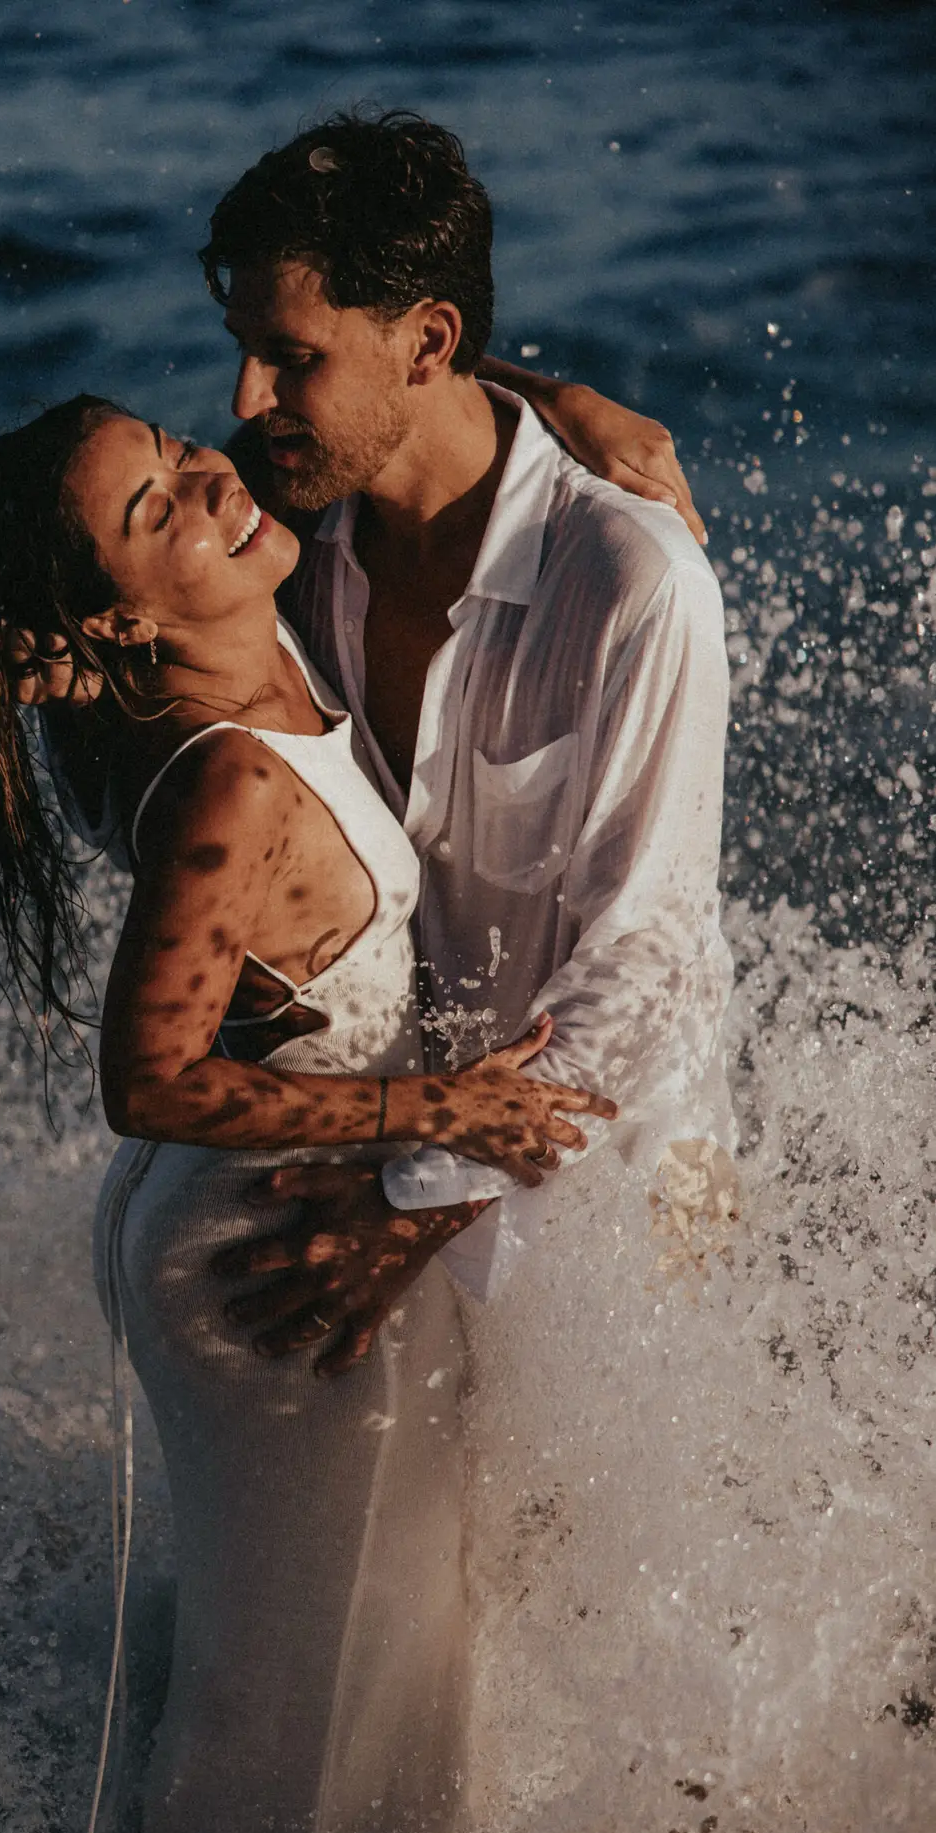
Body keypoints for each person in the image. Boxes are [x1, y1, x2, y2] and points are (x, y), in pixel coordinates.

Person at [0, 392, 618, 1833]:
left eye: (174, 450)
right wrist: (436, 1114)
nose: (209, 480)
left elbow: (354, 389)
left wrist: (559, 407)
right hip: (267, 1243)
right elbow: (148, 1077)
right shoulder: (223, 780)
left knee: (367, 1650)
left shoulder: (228, 625)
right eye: (155, 507)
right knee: (310, 1696)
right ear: (116, 619)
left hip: (271, 1206)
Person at [195, 110, 734, 1355]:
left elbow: (646, 956)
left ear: (430, 342)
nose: (246, 399)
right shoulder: (281, 541)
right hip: (388, 1144)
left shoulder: (633, 581)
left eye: (290, 358)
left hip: (612, 1191)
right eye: (243, 350)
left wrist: (417, 1199)